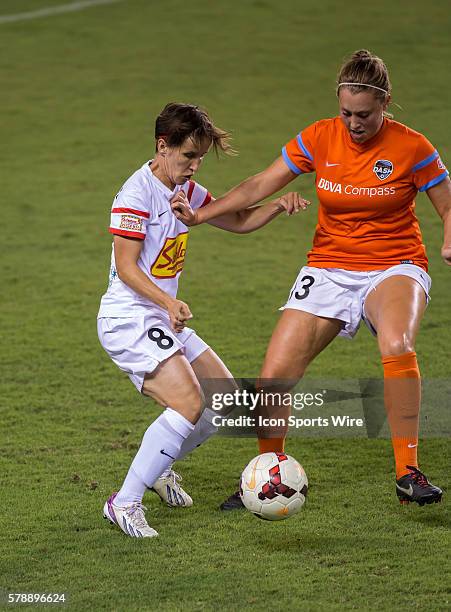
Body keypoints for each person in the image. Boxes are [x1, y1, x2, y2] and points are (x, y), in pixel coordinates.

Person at [172, 50, 450, 509]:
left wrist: (447, 242)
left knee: (397, 345)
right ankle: (267, 476)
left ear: (385, 104)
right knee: (273, 377)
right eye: (346, 113)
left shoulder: (413, 147)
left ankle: (408, 472)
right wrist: (202, 215)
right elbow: (261, 184)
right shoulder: (320, 137)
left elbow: (446, 203)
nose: (354, 123)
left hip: (394, 264)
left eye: (364, 115)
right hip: (327, 266)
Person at [97, 102, 306, 537]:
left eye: (199, 158)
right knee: (190, 402)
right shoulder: (136, 194)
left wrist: (277, 207)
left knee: (224, 403)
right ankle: (125, 501)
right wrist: (168, 302)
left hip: (158, 316)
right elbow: (128, 266)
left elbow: (239, 219)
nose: (194, 167)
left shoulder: (185, 191)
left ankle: (157, 469)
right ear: (163, 146)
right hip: (128, 318)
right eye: (189, 155)